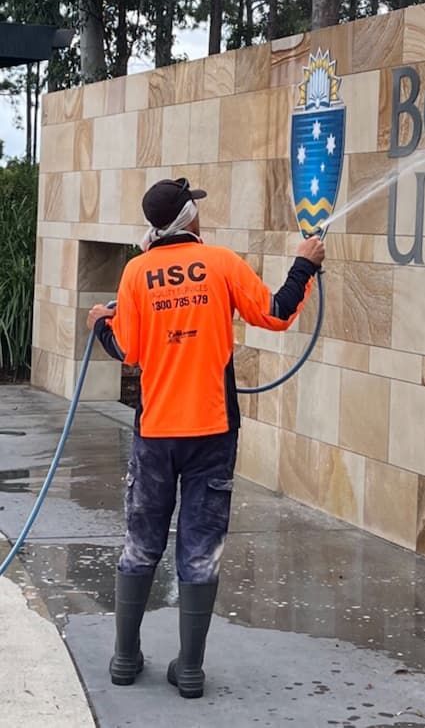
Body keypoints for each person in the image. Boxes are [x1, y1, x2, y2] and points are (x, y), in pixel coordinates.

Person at [87, 177, 325, 699]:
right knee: (200, 548)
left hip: (156, 434)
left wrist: (99, 324)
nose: (199, 214)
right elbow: (278, 312)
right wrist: (306, 262)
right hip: (212, 433)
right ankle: (190, 670)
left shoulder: (134, 273)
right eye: (194, 208)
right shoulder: (220, 264)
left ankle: (125, 660)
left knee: (141, 542)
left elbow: (128, 350)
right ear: (186, 220)